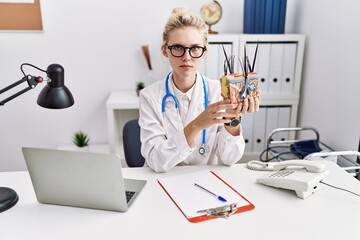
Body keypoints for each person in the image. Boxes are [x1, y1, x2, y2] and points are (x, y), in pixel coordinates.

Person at [139, 8, 260, 172]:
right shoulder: (150, 96)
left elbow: (230, 158)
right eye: (178, 47)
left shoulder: (218, 91)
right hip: (162, 182)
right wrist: (197, 124)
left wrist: (234, 119)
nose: (187, 57)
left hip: (204, 181)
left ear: (204, 52)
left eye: (195, 48)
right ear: (165, 50)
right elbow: (156, 160)